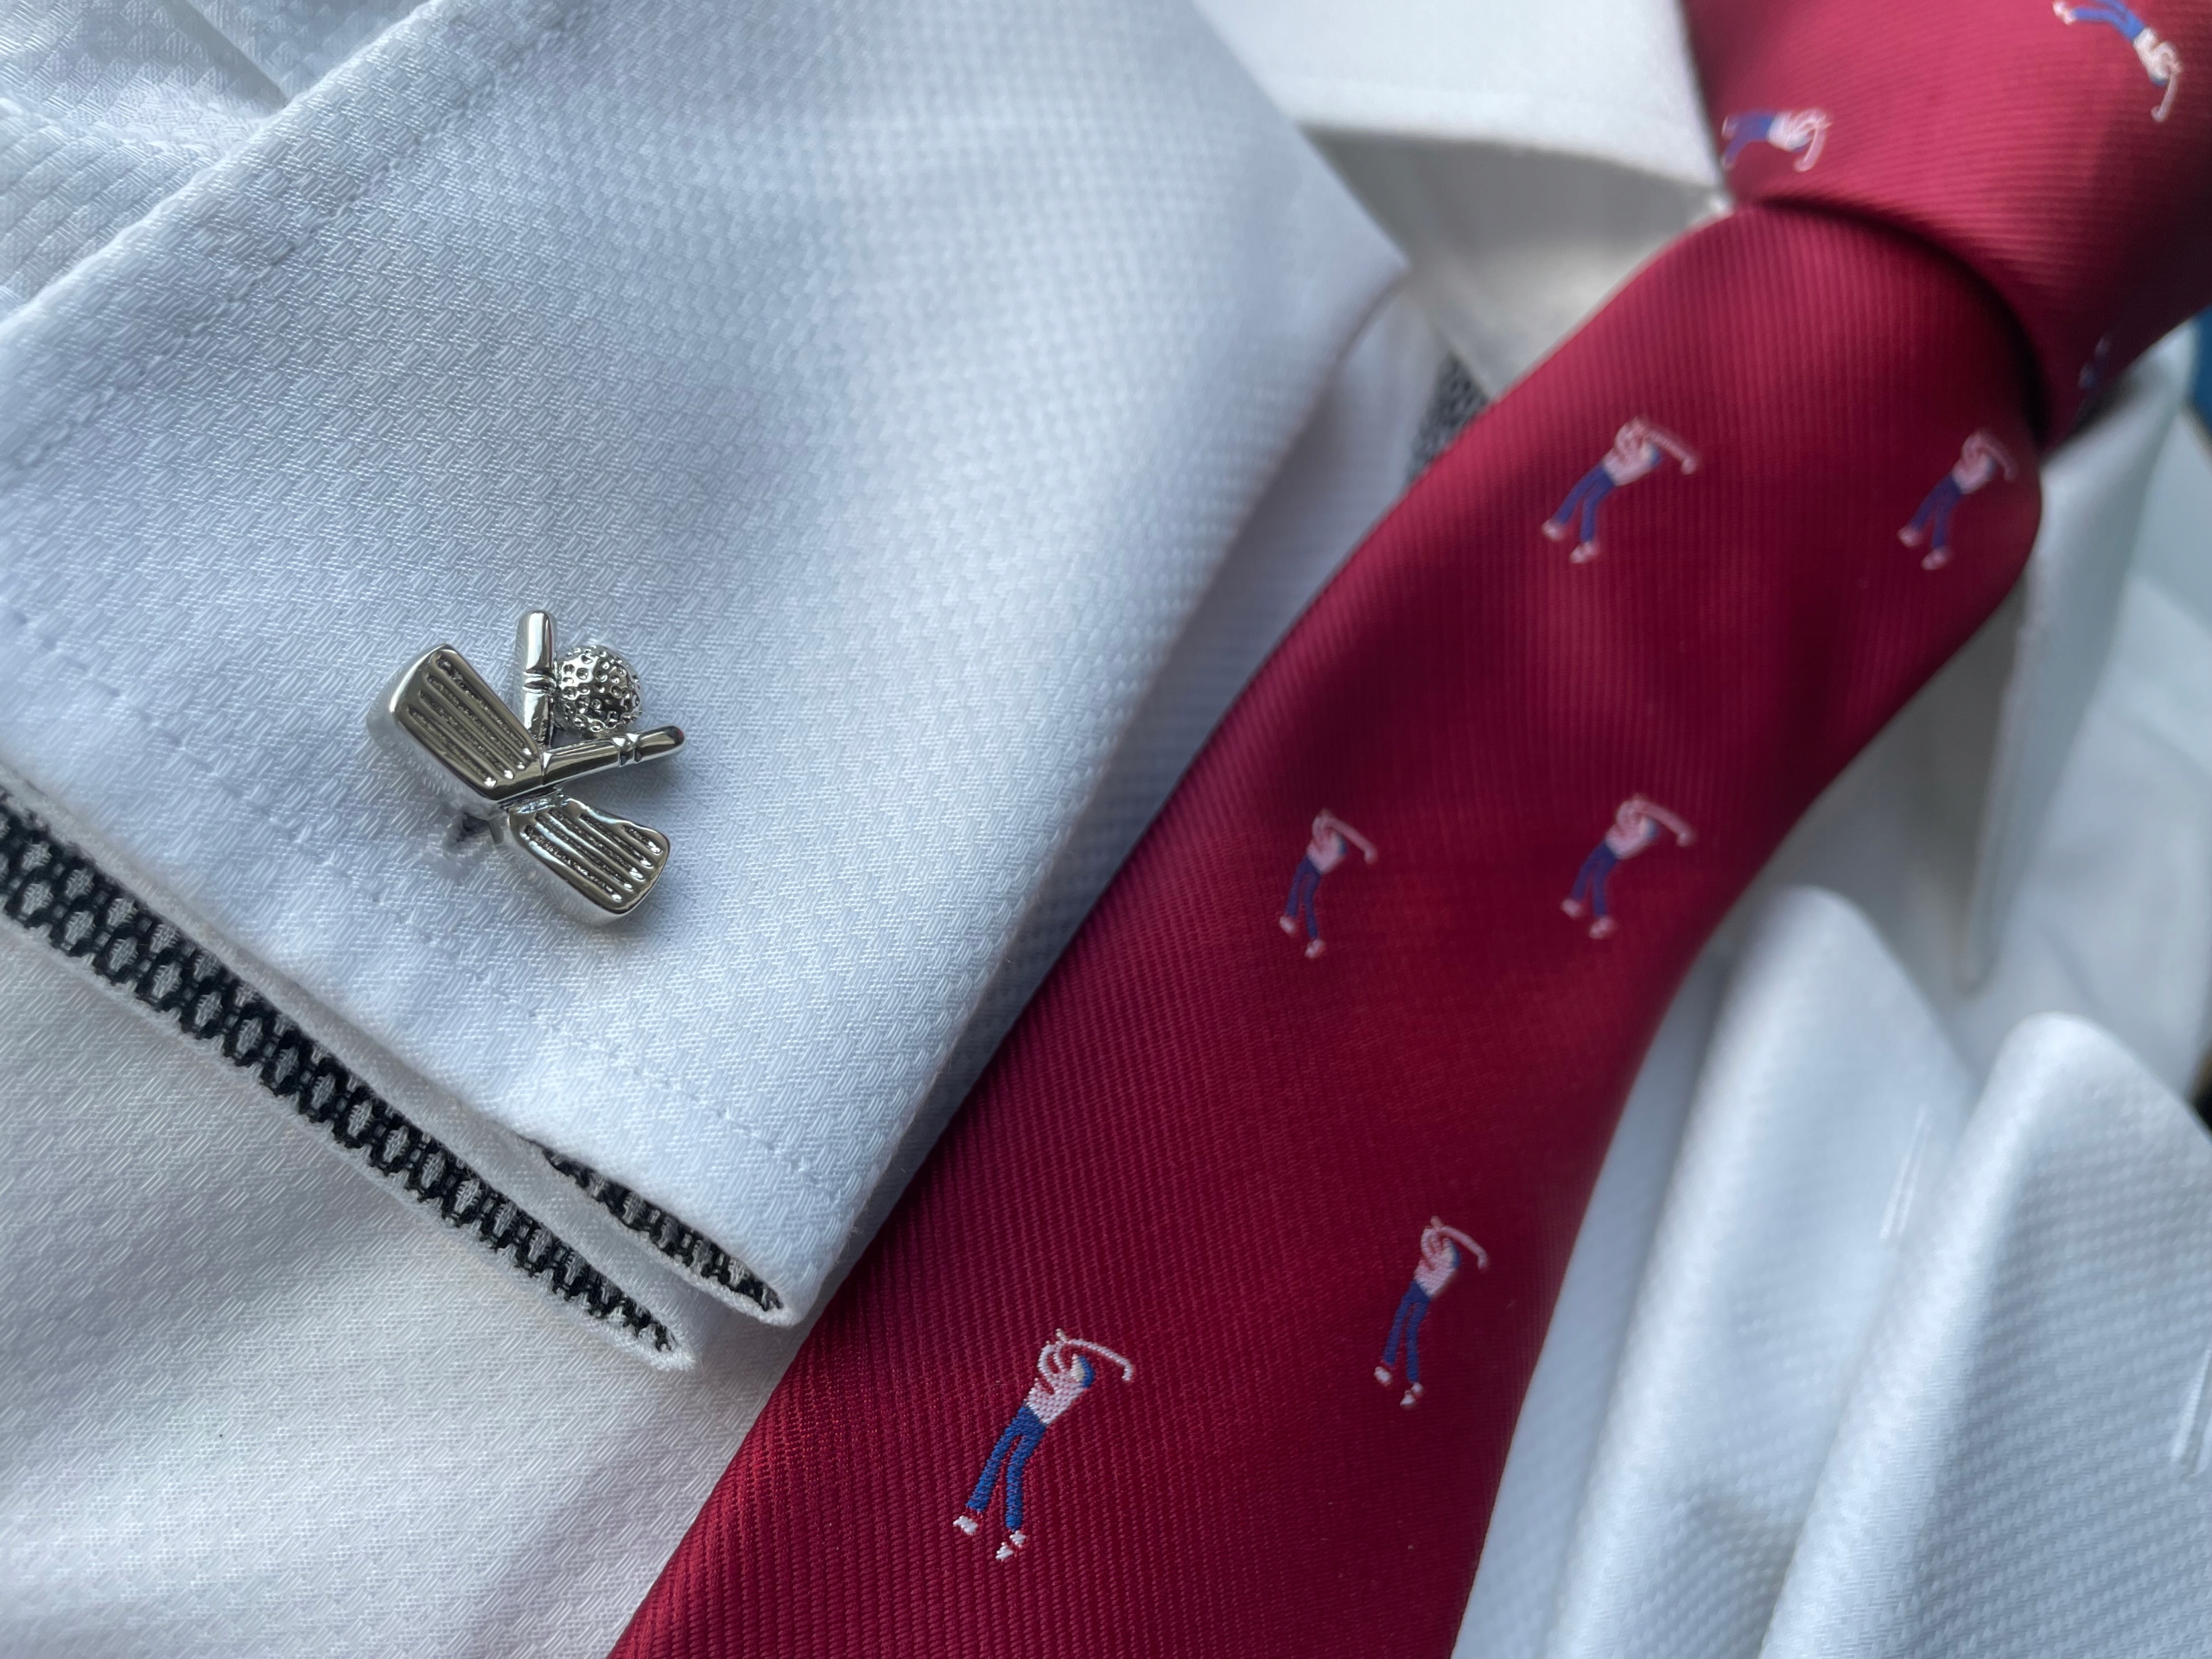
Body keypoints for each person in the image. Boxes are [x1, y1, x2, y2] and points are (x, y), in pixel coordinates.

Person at [954, 1332, 1135, 1561]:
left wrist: (1055, 1349)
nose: (1072, 1364)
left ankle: (1009, 1529)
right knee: (1002, 1463)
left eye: (1077, 1364)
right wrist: (1059, 1348)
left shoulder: (1069, 1385)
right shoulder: (1067, 1380)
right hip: (1026, 1420)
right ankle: (983, 1515)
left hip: (1032, 1423)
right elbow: (1052, 1361)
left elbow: (1049, 1364)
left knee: (1009, 1467)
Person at [1541, 418, 1701, 563]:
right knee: (1580, 489)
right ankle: (1560, 522)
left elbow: (1669, 443)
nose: (1639, 432)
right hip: (1607, 466)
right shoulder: (1626, 434)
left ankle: (1588, 542)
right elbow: (1623, 450)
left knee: (1590, 502)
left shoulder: (1649, 443)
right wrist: (1641, 454)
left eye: (1642, 431)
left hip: (1616, 476)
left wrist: (1687, 458)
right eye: (1636, 428)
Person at [1376, 1218, 1490, 1408]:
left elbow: (1457, 1240)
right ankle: (1405, 1377)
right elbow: (1457, 1241)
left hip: (1424, 1287)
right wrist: (1479, 1254)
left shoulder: (1440, 1238)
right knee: (1407, 1327)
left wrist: (1480, 1254)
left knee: (1406, 1327)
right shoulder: (1437, 1241)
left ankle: (1402, 1375)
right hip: (1424, 1286)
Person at [1563, 796, 1695, 938]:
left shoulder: (1643, 827)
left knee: (1597, 877)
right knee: (1589, 869)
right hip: (1610, 843)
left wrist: (1683, 832)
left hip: (1616, 851)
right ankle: (1577, 900)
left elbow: (1665, 817)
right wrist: (1683, 831)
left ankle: (1601, 916)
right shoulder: (1634, 809)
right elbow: (1665, 817)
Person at [1898, 430, 2018, 570]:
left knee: (1943, 509)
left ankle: (1940, 549)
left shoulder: (1986, 466)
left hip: (1962, 485)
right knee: (1933, 498)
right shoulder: (1973, 443)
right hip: (1955, 476)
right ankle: (1916, 528)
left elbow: (1994, 452)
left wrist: (2008, 466)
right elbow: (1970, 455)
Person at [2054, 0, 2182, 121]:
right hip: (2144, 32)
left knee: (2110, 16)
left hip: (2136, 37)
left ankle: (2072, 15)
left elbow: (2169, 93)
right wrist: (2172, 63)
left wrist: (2161, 111)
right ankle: (2073, 13)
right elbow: (2165, 47)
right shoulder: (2168, 59)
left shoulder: (2157, 69)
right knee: (2118, 6)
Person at [1280, 811, 1378, 959]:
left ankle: (1304, 929)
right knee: (1303, 891)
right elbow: (1322, 836)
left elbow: (1350, 833)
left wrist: (1367, 848)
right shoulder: (1321, 825)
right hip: (1313, 861)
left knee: (1304, 893)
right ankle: (1308, 932)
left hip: (1318, 865)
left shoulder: (1333, 831)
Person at [1719, 108, 1831, 170]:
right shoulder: (1803, 124)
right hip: (1773, 124)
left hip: (1771, 132)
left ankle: (1732, 132)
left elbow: (1792, 146)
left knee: (1748, 131)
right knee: (1751, 124)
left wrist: (1803, 163)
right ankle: (1733, 127)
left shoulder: (1802, 142)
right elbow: (1801, 119)